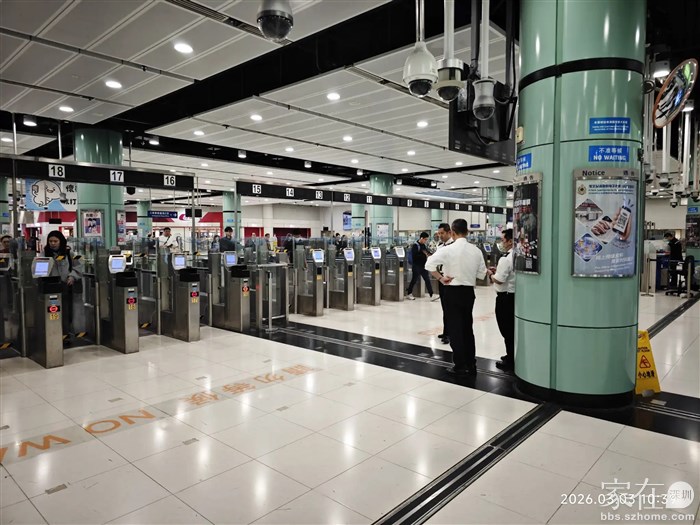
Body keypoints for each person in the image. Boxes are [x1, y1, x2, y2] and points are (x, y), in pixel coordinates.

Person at [426, 219, 488, 375]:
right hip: (468, 293)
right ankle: (471, 363)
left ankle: (460, 365)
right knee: (467, 328)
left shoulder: (448, 249)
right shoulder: (476, 251)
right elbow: (481, 274)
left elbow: (429, 265)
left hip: (452, 292)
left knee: (455, 329)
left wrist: (441, 278)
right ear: (467, 232)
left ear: (452, 232)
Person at [44, 230, 82, 340]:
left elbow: (78, 266)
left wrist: (72, 276)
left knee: (66, 311)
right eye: (50, 241)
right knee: (52, 311)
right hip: (51, 287)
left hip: (65, 286)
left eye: (55, 241)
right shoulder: (44, 253)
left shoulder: (70, 253)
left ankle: (65, 334)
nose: (53, 243)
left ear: (61, 241)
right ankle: (53, 335)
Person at [489, 228, 516, 372]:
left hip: (505, 298)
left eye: (503, 240)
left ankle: (510, 360)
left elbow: (499, 280)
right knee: (512, 328)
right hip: (514, 296)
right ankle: (511, 355)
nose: (501, 243)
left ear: (510, 241)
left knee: (506, 329)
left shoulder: (505, 259)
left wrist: (491, 275)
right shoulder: (517, 255)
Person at [435, 223, 454, 344]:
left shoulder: (454, 246)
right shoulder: (440, 245)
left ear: (449, 232)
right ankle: (446, 330)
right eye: (439, 233)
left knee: (450, 308)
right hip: (441, 279)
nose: (440, 236)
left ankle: (450, 333)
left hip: (450, 280)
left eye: (442, 233)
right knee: (444, 307)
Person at [407, 232, 438, 301]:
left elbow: (426, 252)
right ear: (421, 238)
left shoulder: (423, 245)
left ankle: (431, 294)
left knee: (427, 279)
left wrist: (431, 255)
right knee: (414, 280)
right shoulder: (415, 246)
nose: (426, 241)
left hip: (423, 266)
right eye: (425, 239)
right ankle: (409, 293)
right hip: (416, 266)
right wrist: (423, 255)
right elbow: (414, 256)